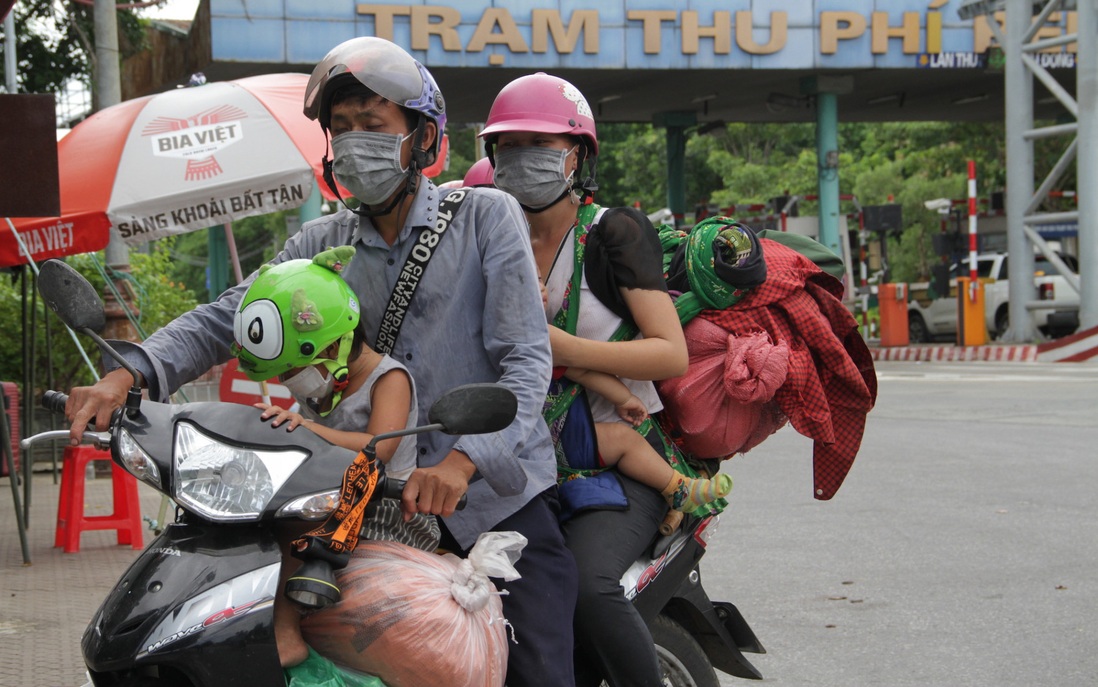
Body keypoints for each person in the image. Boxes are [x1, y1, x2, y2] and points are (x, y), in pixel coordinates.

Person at [65, 37, 577, 687]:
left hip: (492, 503)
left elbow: (526, 363)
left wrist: (462, 459)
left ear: (421, 138)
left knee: (536, 669)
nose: (354, 141)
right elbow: (228, 317)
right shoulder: (319, 245)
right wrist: (128, 373)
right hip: (366, 513)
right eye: (341, 128)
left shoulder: (485, 217)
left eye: (373, 125)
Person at [480, 72, 722, 686]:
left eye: (539, 146)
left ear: (578, 155)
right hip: (519, 464)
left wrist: (564, 348)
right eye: (507, 147)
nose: (521, 160)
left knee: (586, 587)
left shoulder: (613, 232)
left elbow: (669, 354)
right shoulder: (486, 233)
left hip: (614, 461)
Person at [230, 246, 436, 667]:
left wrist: (307, 427)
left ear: (337, 345)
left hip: (385, 509)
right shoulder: (323, 390)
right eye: (284, 375)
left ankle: (286, 633)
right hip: (334, 500)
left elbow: (379, 447)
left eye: (293, 371)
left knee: (295, 524)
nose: (290, 382)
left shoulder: (388, 378)